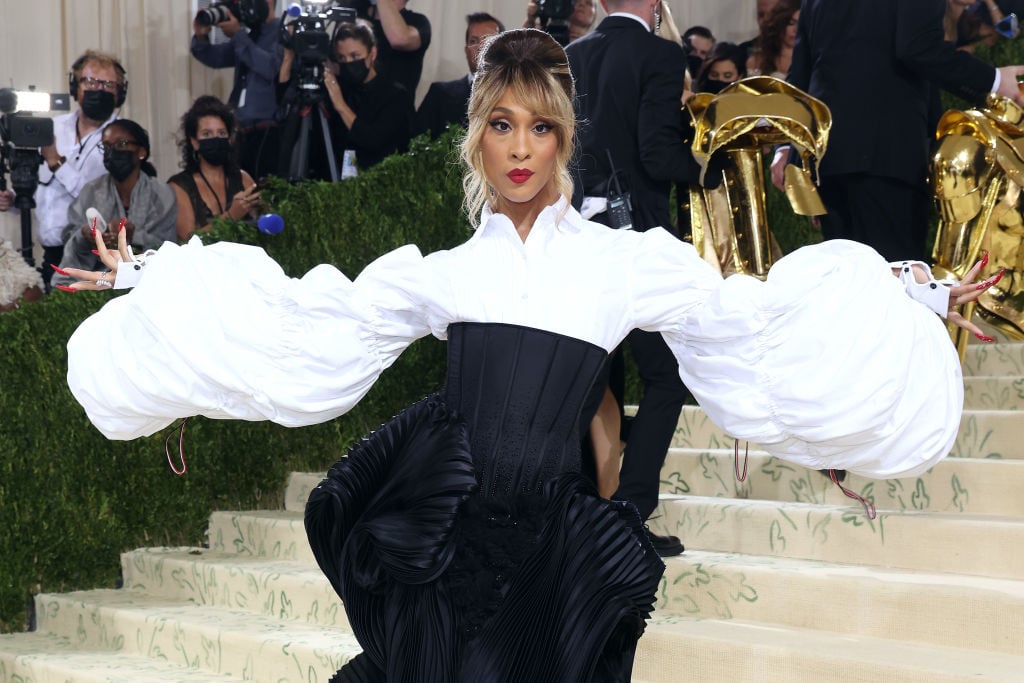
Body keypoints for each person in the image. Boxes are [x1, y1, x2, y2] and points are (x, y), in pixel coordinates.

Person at [62, 28, 997, 682]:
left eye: (541, 127)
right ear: (477, 139)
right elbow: (306, 317)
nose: (521, 148)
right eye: (502, 125)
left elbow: (747, 320)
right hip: (448, 547)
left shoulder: (623, 262)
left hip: (552, 555)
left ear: (564, 139)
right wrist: (151, 286)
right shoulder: (440, 272)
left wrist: (910, 291)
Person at [567, 0, 713, 558]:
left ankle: (569, 515)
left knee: (591, 382)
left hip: (579, 239)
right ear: (653, 4)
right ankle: (627, 516)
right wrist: (705, 165)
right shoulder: (659, 52)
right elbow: (655, 156)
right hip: (639, 242)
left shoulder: (573, 54)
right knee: (666, 377)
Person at [772, 0, 1024, 262]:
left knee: (846, 286)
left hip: (829, 157)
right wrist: (993, 80)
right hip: (886, 154)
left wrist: (787, 146)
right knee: (895, 281)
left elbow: (800, 72)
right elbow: (919, 47)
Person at [0, 50, 126, 291]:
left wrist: (56, 162)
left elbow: (98, 199)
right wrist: (15, 201)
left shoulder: (121, 137)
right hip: (51, 254)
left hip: (94, 257)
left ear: (120, 92)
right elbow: (43, 189)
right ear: (74, 86)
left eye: (108, 84)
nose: (98, 90)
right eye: (90, 81)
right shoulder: (51, 127)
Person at [51, 120, 176, 289]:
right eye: (106, 146)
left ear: (141, 152)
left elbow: (168, 249)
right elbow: (70, 239)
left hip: (151, 286)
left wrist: (133, 236)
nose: (112, 151)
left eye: (121, 144)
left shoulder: (161, 194)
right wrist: (86, 236)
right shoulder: (91, 191)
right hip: (96, 284)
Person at [191, 0, 282, 179]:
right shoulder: (250, 36)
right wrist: (201, 36)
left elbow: (271, 68)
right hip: (240, 131)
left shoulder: (283, 32)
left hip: (268, 133)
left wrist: (238, 35)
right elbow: (214, 58)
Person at [321, 20, 414, 172]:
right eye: (342, 58)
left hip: (379, 182)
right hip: (336, 179)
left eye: (355, 56)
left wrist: (341, 106)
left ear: (373, 53)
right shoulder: (338, 89)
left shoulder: (395, 95)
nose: (348, 63)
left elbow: (373, 140)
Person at [169, 96, 261, 241]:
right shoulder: (179, 186)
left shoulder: (243, 178)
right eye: (207, 134)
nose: (216, 139)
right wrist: (231, 216)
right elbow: (188, 240)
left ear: (229, 139)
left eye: (222, 133)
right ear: (194, 142)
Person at [414, 12, 504, 139]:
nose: (480, 47)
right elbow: (417, 145)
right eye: (473, 41)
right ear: (466, 50)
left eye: (488, 40)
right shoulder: (440, 95)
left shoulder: (516, 94)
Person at [358, 0, 432, 96]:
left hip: (392, 106)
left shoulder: (418, 21)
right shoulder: (355, 13)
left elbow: (399, 39)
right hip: (350, 101)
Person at [749, 0, 800, 78]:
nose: (796, 29)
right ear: (779, 23)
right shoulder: (757, 61)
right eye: (791, 23)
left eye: (800, 24)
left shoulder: (812, 61)